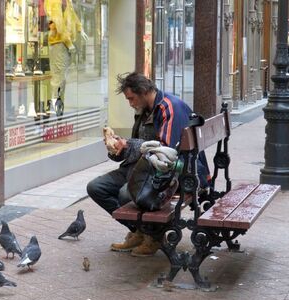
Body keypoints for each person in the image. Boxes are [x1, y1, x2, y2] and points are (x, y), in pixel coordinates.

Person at [87, 72, 210, 257]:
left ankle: (153, 235)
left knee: (126, 194)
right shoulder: (144, 110)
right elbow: (140, 146)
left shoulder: (169, 108)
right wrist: (118, 148)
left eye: (131, 98)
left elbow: (166, 153)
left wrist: (128, 145)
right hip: (146, 168)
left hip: (176, 173)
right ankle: (140, 231)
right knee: (96, 187)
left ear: (144, 92)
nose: (130, 103)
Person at [44, 0, 88, 115]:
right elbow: (58, 23)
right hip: (58, 42)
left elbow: (73, 15)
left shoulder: (67, 1)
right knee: (58, 76)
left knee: (62, 77)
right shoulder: (54, 1)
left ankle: (58, 106)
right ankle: (53, 106)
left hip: (65, 42)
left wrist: (80, 29)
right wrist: (69, 43)